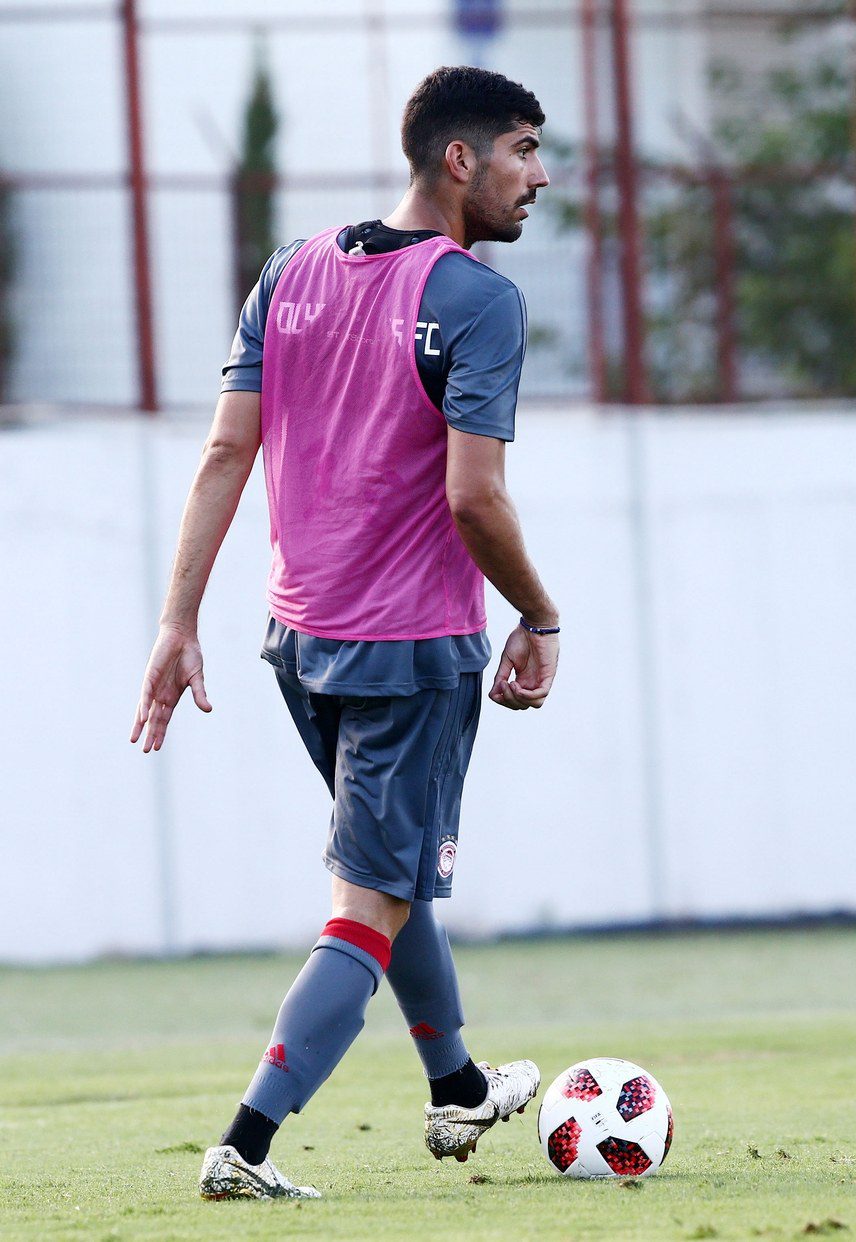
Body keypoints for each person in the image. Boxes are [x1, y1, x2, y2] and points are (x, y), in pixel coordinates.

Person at [130, 65, 560, 1201]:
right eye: (523, 148)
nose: (541, 174)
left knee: (389, 866)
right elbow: (476, 498)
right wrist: (540, 614)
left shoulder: (292, 269)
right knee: (369, 902)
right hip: (411, 651)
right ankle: (246, 1145)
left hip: (301, 643)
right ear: (460, 160)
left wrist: (178, 619)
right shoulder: (477, 300)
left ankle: (457, 1084)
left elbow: (227, 451)